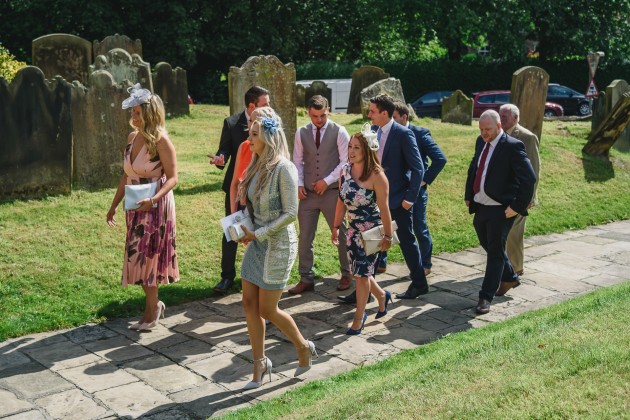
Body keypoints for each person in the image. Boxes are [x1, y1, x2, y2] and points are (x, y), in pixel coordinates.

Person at [236, 111, 317, 389]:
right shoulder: (255, 165)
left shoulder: (284, 168)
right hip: (257, 243)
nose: (249, 137)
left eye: (254, 133)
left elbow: (291, 212)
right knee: (248, 304)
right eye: (250, 132)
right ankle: (259, 364)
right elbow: (253, 208)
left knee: (268, 309)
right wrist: (242, 228)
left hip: (279, 245)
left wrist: (257, 233)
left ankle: (303, 346)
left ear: (269, 137)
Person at [339, 95, 428, 303]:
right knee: (370, 246)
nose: (369, 114)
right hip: (373, 201)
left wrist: (410, 199)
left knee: (406, 241)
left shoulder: (404, 134)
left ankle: (419, 283)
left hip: (398, 199)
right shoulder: (374, 133)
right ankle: (365, 291)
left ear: (384, 113)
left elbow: (418, 168)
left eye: (372, 111)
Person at [106, 85, 179, 330]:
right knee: (137, 257)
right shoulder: (131, 138)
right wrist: (113, 206)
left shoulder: (161, 140)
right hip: (134, 204)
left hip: (156, 206)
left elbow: (173, 178)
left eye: (139, 113)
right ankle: (153, 307)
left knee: (149, 259)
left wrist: (155, 199)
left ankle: (151, 310)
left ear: (150, 113)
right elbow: (126, 176)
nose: (134, 117)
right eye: (133, 112)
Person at [465, 110, 536, 314]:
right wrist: (469, 193)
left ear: (498, 126)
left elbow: (529, 179)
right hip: (481, 205)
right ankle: (510, 277)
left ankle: (485, 297)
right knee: (487, 243)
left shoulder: (513, 146)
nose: (484, 133)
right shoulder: (480, 142)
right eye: (481, 129)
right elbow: (474, 167)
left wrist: (517, 206)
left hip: (501, 209)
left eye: (487, 129)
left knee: (495, 251)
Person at [332, 124, 394, 335]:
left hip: (370, 233)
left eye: (357, 147)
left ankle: (359, 317)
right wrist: (334, 226)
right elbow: (341, 200)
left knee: (360, 276)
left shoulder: (378, 176)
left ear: (368, 150)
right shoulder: (345, 170)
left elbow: (385, 209)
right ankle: (383, 297)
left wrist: (388, 236)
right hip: (351, 230)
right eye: (350, 146)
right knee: (362, 273)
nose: (351, 151)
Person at [209, 86, 270, 294]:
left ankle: (257, 276)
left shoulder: (269, 124)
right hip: (236, 187)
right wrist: (220, 159)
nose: (269, 107)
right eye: (265, 103)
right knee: (231, 230)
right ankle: (226, 277)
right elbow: (223, 151)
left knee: (257, 230)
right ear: (252, 106)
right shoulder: (232, 123)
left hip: (260, 189)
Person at [290, 95, 352, 295]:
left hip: (332, 193)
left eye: (323, 115)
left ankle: (347, 272)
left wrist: (327, 181)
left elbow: (346, 162)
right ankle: (306, 278)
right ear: (308, 112)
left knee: (341, 234)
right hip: (308, 194)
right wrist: (299, 184)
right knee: (305, 237)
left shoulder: (340, 131)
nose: (319, 120)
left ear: (328, 110)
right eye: (315, 116)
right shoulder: (302, 132)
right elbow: (297, 161)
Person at [391, 101, 447, 276]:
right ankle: (381, 263)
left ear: (404, 117)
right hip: (394, 190)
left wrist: (424, 180)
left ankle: (426, 264)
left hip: (415, 191)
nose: (391, 122)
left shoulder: (420, 134)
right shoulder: (388, 133)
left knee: (418, 227)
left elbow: (440, 159)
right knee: (388, 225)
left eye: (394, 118)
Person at [499, 104, 541, 281]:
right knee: (502, 234)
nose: (501, 120)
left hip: (519, 195)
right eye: (500, 116)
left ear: (516, 118)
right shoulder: (497, 134)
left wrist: (529, 197)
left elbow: (534, 170)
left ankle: (516, 269)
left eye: (505, 117)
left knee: (514, 234)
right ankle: (506, 267)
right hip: (501, 194)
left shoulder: (527, 137)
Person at [228, 106, 276, 214]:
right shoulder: (244, 146)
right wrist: (234, 214)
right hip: (244, 208)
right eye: (250, 121)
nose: (250, 125)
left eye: (254, 121)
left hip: (266, 212)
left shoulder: (277, 157)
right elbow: (235, 183)